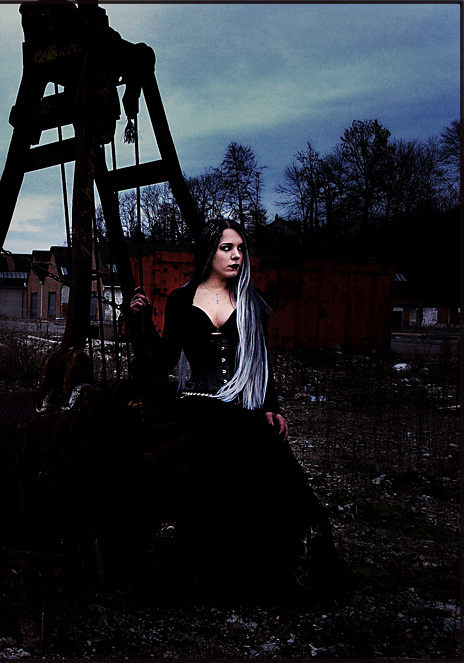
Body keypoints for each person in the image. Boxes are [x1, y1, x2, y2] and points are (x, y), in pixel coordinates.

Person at [126, 218, 343, 603]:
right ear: (209, 252)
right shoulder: (181, 299)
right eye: (227, 248)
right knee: (216, 460)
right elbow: (162, 362)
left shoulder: (250, 300)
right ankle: (210, 574)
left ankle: (285, 569)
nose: (237, 256)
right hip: (199, 404)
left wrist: (271, 408)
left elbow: (260, 361)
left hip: (241, 404)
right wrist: (139, 321)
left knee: (277, 464)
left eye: (241, 248)